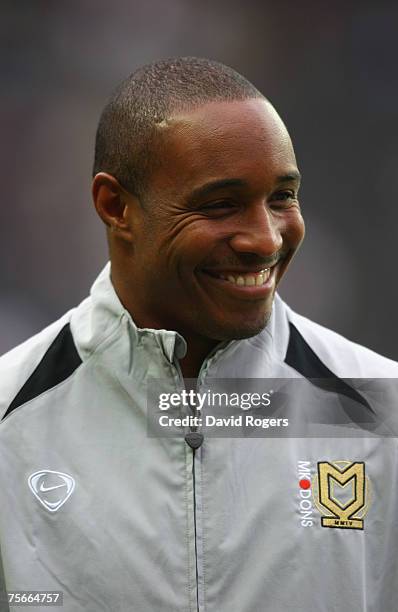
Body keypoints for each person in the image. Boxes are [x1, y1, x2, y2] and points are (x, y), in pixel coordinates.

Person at [0, 57, 397, 612]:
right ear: (116, 207)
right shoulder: (11, 414)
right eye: (220, 205)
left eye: (282, 196)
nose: (265, 239)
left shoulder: (382, 406)